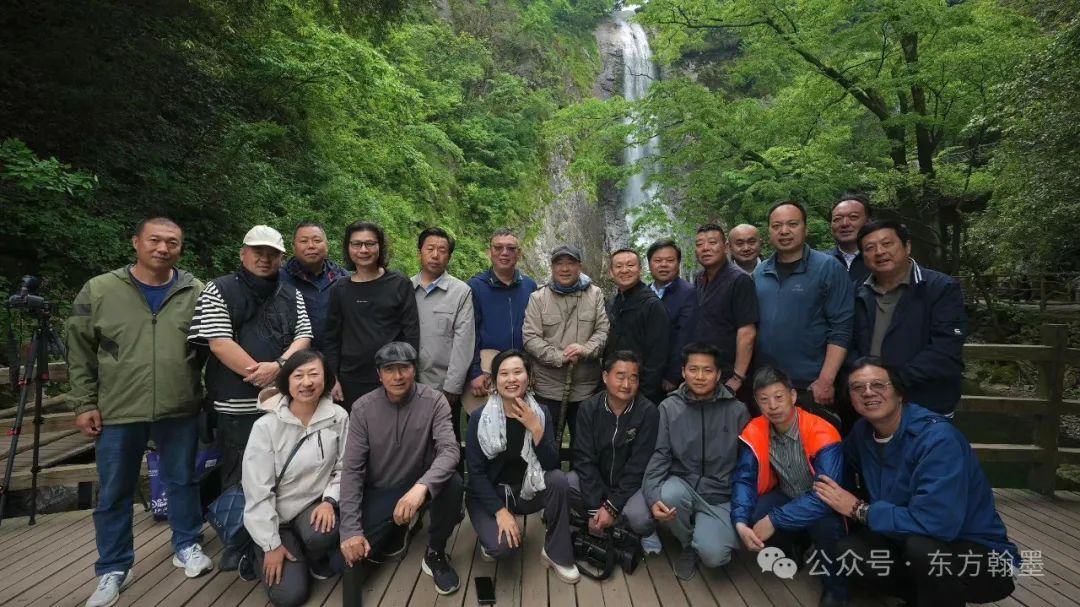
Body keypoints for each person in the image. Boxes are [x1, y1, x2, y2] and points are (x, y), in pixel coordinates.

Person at [68, 218, 213, 607]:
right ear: (136, 242)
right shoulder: (99, 290)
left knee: (183, 480)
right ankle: (114, 566)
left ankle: (187, 544)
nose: (163, 249)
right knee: (114, 489)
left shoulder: (194, 290)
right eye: (155, 241)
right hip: (118, 408)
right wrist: (83, 403)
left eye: (173, 243)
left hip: (179, 404)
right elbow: (79, 351)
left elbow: (211, 346)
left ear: (181, 248)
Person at [814, 357, 1019, 607]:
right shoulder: (862, 433)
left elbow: (936, 524)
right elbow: (835, 463)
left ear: (900, 392)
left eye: (878, 385)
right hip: (908, 540)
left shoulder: (938, 440)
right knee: (850, 551)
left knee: (921, 549)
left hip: (979, 556)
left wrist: (859, 509)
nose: (868, 393)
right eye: (857, 388)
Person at [189, 224, 313, 569]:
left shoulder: (291, 293)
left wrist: (279, 366)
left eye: (272, 253)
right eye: (257, 251)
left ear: (282, 258)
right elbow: (218, 341)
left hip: (283, 404)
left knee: (282, 472)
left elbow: (304, 335)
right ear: (243, 253)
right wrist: (259, 374)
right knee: (240, 475)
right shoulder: (219, 289)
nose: (264, 258)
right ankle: (241, 546)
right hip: (235, 405)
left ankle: (280, 538)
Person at [338, 342, 464, 596]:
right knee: (343, 561)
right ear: (379, 374)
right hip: (380, 491)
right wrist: (350, 531)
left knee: (453, 483)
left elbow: (450, 450)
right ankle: (399, 530)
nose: (398, 376)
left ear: (414, 369)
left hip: (418, 486)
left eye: (404, 367)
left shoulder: (434, 401)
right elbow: (352, 471)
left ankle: (435, 552)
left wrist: (422, 487)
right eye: (389, 369)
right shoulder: (362, 409)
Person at [731, 366, 847, 607]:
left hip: (822, 502)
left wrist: (774, 520)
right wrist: (740, 522)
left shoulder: (822, 431)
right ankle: (795, 545)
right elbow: (745, 478)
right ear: (757, 403)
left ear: (793, 396)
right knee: (754, 512)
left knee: (826, 528)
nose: (772, 405)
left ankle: (836, 589)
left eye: (779, 397)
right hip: (786, 494)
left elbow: (826, 496)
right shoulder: (755, 429)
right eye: (764, 400)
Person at [242, 350, 349, 607]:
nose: (307, 382)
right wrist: (271, 546)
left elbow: (346, 467)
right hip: (274, 518)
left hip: (311, 510)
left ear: (326, 379)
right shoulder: (265, 427)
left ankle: (308, 555)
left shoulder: (338, 417)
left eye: (314, 374)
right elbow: (257, 491)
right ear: (286, 381)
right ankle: (255, 551)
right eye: (298, 375)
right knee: (290, 596)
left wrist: (330, 500)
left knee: (324, 532)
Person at [465, 349, 580, 584]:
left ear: (529, 377)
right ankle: (491, 536)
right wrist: (500, 512)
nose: (511, 379)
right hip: (490, 495)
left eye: (518, 372)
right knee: (503, 549)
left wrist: (535, 428)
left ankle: (555, 552)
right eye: (504, 373)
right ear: (495, 381)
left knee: (559, 479)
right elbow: (475, 475)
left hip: (526, 491)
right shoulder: (480, 418)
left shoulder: (540, 413)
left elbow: (551, 464)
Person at [642, 343, 750, 581]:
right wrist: (652, 500)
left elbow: (747, 467)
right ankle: (688, 542)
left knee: (714, 556)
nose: (700, 377)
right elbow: (659, 456)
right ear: (683, 371)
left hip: (722, 495)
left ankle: (705, 537)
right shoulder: (669, 407)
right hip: (684, 487)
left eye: (707, 370)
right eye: (693, 369)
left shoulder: (737, 411)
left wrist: (743, 511)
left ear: (719, 374)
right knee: (667, 494)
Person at [851, 220, 966, 416]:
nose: (879, 252)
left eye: (887, 244)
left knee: (928, 446)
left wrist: (893, 380)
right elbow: (846, 339)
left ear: (907, 246)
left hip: (926, 401)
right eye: (870, 248)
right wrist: (864, 381)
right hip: (869, 401)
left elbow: (946, 347)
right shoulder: (856, 290)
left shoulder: (940, 288)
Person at [754, 202, 853, 429]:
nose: (784, 231)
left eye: (792, 224)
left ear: (805, 229)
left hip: (810, 386)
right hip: (768, 385)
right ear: (769, 232)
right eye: (776, 226)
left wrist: (826, 380)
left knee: (816, 453)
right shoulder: (760, 272)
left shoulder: (828, 268)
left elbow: (842, 327)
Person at [569, 351, 661, 553]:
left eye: (633, 378)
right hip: (598, 481)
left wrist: (612, 505)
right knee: (565, 483)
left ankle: (635, 527)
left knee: (641, 519)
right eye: (620, 376)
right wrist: (595, 505)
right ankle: (606, 519)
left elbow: (639, 466)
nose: (626, 384)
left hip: (631, 487)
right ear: (605, 377)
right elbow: (584, 459)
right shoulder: (588, 408)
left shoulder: (648, 412)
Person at [522, 244, 609, 453]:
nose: (565, 268)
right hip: (547, 389)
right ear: (552, 267)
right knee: (545, 448)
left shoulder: (595, 294)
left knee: (587, 448)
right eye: (559, 264)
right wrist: (559, 357)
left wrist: (585, 349)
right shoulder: (538, 297)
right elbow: (530, 337)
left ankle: (582, 485)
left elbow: (603, 331)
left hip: (586, 389)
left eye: (570, 263)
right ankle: (549, 485)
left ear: (579, 266)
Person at [324, 221, 420, 408]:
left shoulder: (399, 283)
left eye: (370, 244)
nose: (363, 250)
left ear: (380, 247)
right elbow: (331, 337)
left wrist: (409, 372)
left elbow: (411, 333)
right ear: (348, 248)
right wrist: (332, 377)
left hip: (392, 376)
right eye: (356, 244)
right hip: (351, 378)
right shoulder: (340, 288)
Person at [411, 227, 475, 445]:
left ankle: (453, 480)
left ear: (449, 256)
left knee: (447, 441)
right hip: (408, 385)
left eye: (442, 250)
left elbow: (463, 341)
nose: (435, 255)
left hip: (443, 387)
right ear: (420, 252)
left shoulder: (461, 291)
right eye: (430, 249)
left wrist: (452, 387)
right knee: (412, 442)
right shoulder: (405, 288)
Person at [465, 228, 538, 413]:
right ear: (489, 252)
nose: (504, 253)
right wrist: (475, 372)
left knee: (519, 428)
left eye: (511, 248)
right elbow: (468, 333)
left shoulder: (530, 286)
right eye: (498, 248)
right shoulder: (476, 286)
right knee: (483, 428)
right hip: (487, 373)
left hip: (520, 376)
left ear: (519, 253)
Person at [692, 224, 758, 404]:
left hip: (729, 375)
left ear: (726, 247)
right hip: (704, 372)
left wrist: (737, 377)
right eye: (700, 244)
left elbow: (747, 331)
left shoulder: (739, 279)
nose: (705, 248)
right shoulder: (699, 278)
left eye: (712, 242)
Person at [604, 248, 670, 404]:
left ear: (640, 269)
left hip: (642, 393)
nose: (625, 270)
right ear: (611, 272)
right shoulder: (613, 303)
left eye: (630, 265)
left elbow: (658, 357)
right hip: (614, 389)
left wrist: (643, 396)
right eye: (619, 266)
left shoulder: (653, 306)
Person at [279, 222, 349, 352]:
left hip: (337, 357)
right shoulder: (279, 279)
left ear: (327, 245)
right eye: (304, 241)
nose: (311, 246)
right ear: (294, 247)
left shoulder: (344, 278)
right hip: (294, 360)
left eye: (317, 240)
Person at [647, 239, 697, 394]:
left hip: (670, 380)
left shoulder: (689, 293)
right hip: (644, 375)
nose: (663, 265)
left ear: (678, 263)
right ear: (649, 264)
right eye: (658, 260)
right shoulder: (644, 292)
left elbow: (685, 337)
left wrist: (672, 375)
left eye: (670, 260)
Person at [828, 193, 871, 284]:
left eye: (853, 217)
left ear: (868, 222)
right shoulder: (818, 263)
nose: (844, 224)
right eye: (837, 219)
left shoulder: (881, 260)